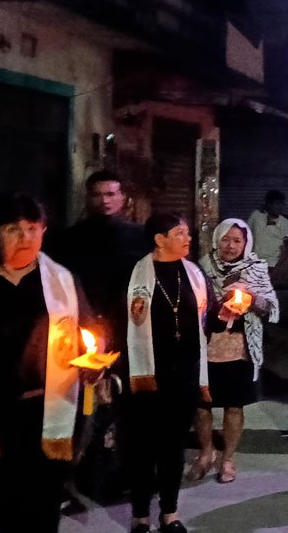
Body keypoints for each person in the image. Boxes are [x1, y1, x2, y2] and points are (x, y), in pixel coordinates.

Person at [0, 194, 91, 533]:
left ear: (44, 231)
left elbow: (89, 339)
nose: (25, 238)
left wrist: (94, 364)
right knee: (9, 507)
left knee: (44, 508)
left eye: (32, 228)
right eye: (13, 229)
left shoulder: (64, 283)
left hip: (52, 412)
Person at [120, 213, 214, 533]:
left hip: (183, 375)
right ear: (160, 239)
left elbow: (208, 318)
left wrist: (226, 311)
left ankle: (169, 512)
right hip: (148, 374)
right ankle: (140, 515)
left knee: (173, 447)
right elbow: (118, 324)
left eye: (187, 233)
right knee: (143, 447)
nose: (188, 239)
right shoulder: (134, 274)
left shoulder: (194, 274)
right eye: (180, 233)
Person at [189, 219, 280, 483]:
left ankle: (227, 458)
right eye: (225, 239)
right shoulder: (201, 267)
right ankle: (206, 453)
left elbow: (272, 307)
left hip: (239, 348)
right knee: (202, 405)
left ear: (246, 243)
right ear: (217, 240)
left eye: (237, 240)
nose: (230, 245)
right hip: (206, 346)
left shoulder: (257, 269)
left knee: (234, 406)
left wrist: (252, 300)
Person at [45, 170, 149, 351]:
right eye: (97, 195)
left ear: (122, 197)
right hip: (83, 319)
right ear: (88, 198)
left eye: (110, 194)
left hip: (128, 322)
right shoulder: (69, 239)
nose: (105, 201)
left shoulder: (140, 237)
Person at [247, 190, 288, 271]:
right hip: (254, 263)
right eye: (277, 203)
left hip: (272, 264)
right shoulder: (256, 215)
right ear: (268, 204)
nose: (280, 207)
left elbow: (286, 247)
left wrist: (277, 268)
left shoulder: (284, 222)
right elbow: (246, 234)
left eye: (282, 204)